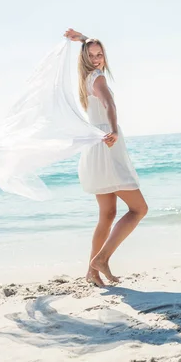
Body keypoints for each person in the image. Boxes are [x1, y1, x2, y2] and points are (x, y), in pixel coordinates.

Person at [64, 29, 148, 287]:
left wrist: (82, 39)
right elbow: (110, 104)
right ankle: (100, 260)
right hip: (107, 145)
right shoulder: (98, 78)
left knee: (108, 214)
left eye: (100, 54)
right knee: (139, 209)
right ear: (85, 59)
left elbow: (88, 50)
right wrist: (113, 129)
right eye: (92, 56)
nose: (98, 59)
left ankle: (92, 272)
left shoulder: (85, 79)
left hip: (95, 148)